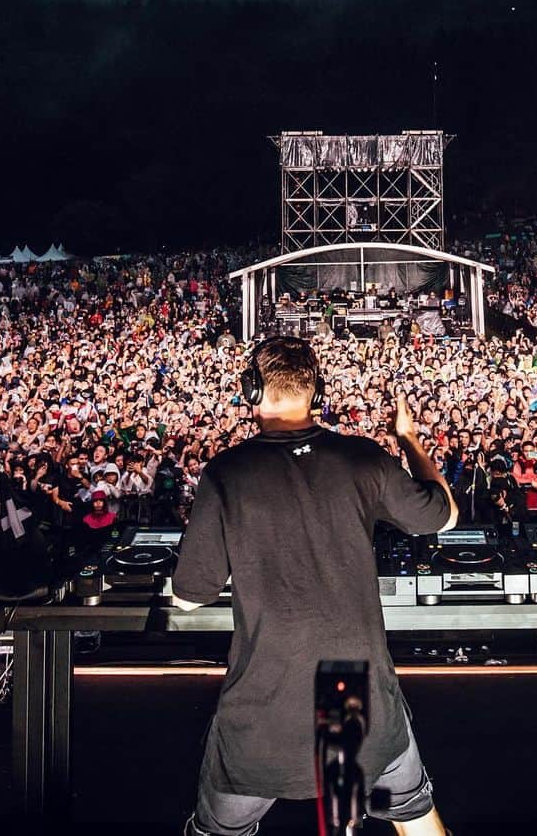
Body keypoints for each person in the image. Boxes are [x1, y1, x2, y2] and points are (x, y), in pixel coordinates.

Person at [171, 336, 458, 836]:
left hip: (264, 711)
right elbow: (445, 515)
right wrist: (409, 438)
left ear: (250, 390)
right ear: (317, 391)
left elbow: (190, 595)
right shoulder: (363, 458)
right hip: (361, 700)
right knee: (416, 820)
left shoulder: (226, 473)